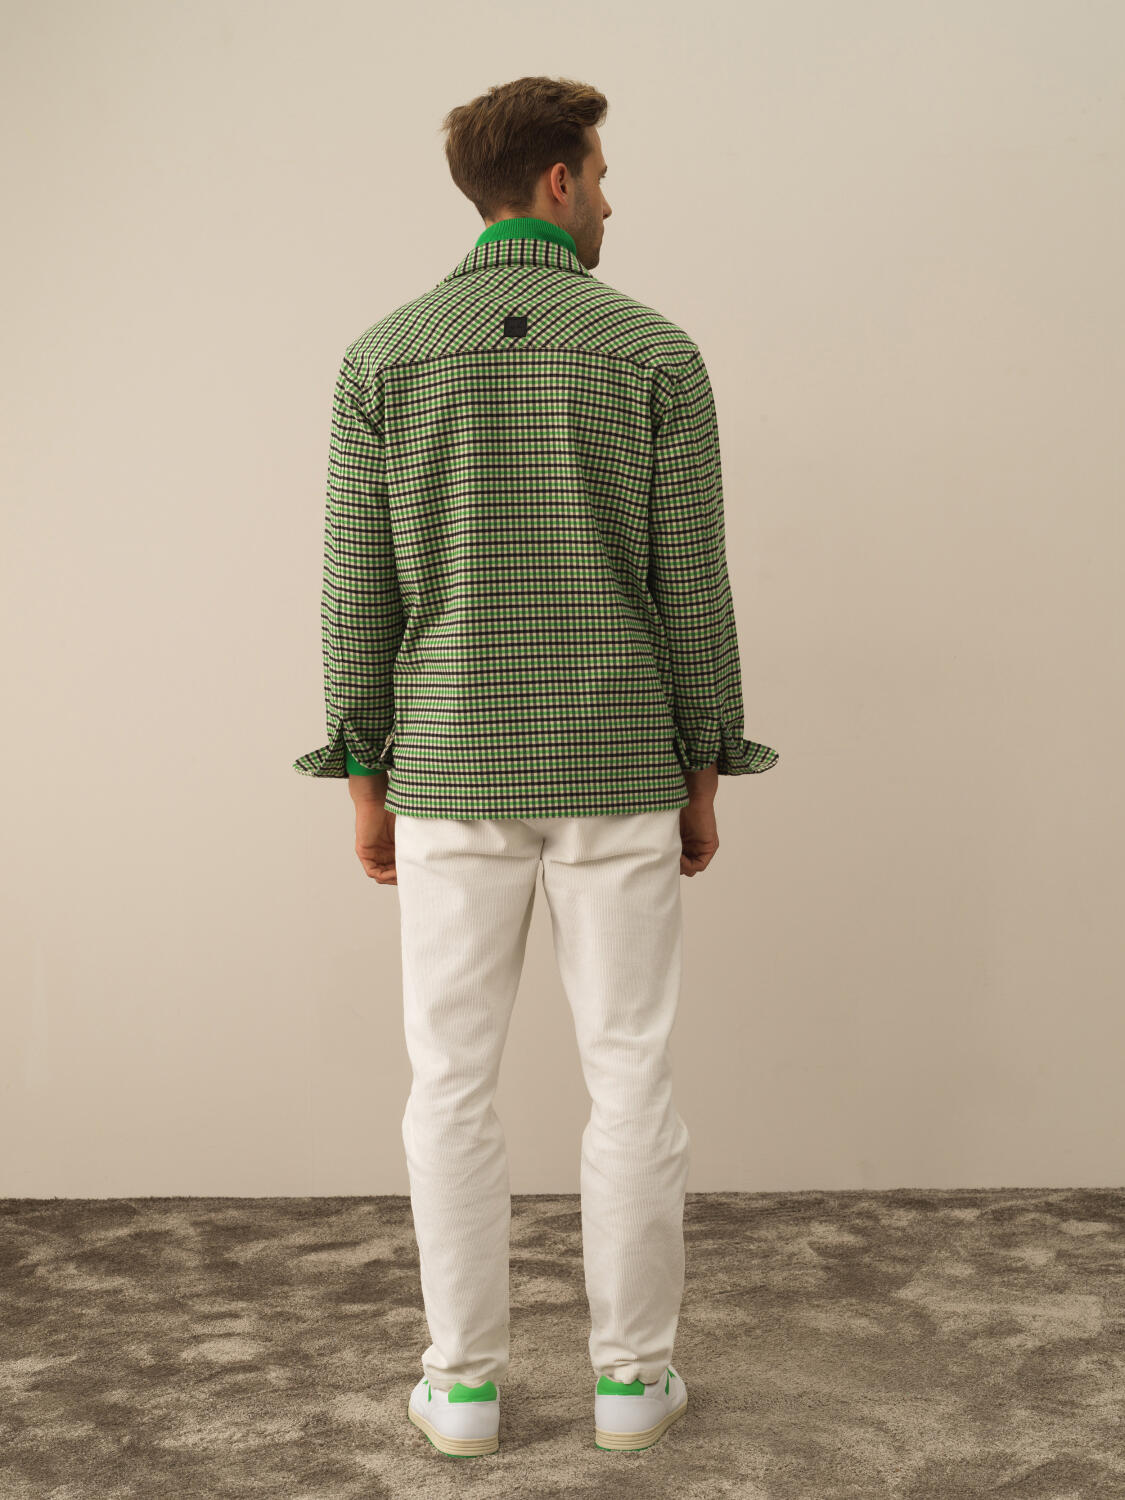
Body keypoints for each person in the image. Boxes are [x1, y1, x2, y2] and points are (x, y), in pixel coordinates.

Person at [293, 74, 779, 1457]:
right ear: (558, 181)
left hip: (449, 764)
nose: (612, 200)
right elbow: (692, 584)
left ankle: (461, 1388)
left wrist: (365, 776)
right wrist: (703, 764)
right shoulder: (653, 353)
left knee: (449, 1080)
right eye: (602, 175)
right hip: (618, 757)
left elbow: (357, 591)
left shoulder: (385, 356)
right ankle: (631, 1381)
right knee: (630, 1073)